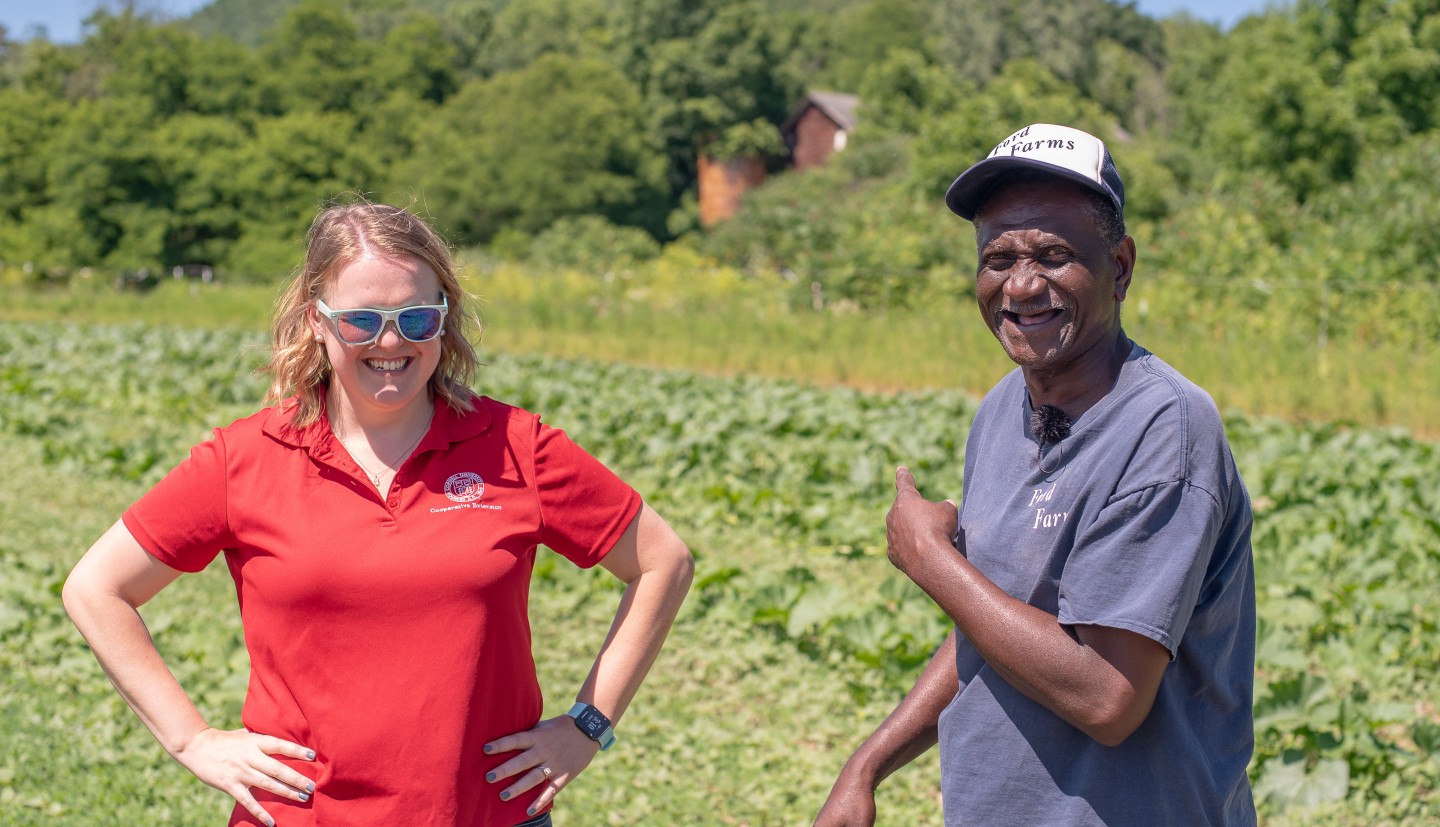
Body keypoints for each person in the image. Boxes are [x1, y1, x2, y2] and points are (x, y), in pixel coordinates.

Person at [63, 202, 694, 827]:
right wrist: (191, 739)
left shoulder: (514, 445)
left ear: (444, 321)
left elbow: (661, 561)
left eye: (417, 318)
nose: (391, 342)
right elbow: (97, 588)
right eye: (362, 320)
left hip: (486, 817)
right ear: (316, 320)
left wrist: (589, 725)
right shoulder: (244, 458)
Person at [815, 124, 1256, 826]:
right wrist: (868, 763)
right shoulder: (1002, 409)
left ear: (1119, 266)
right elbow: (990, 621)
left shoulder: (1164, 427)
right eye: (998, 257)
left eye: (1054, 255)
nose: (1020, 285)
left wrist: (929, 558)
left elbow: (1108, 698)